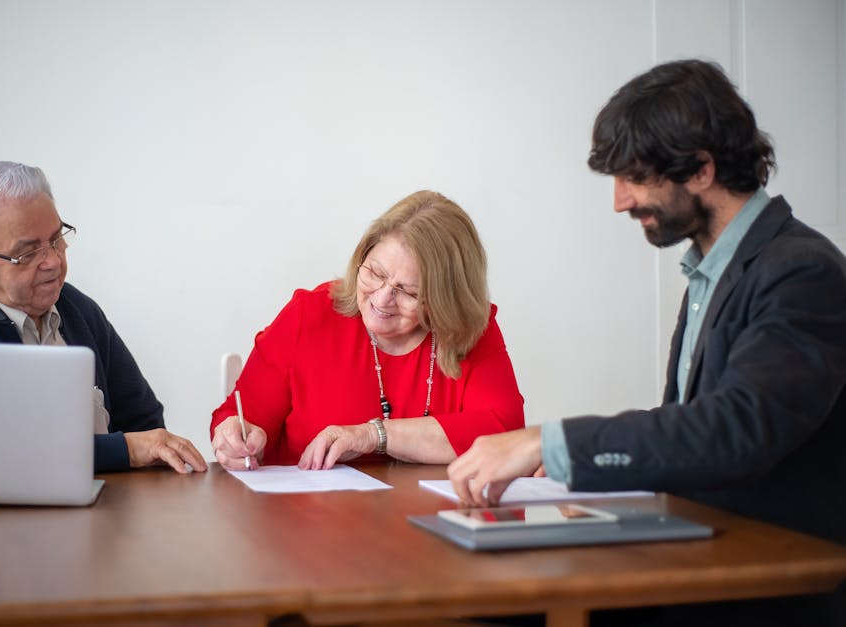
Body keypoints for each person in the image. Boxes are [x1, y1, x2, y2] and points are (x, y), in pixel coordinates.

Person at [448, 60, 846, 625]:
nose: (618, 201)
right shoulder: (715, 267)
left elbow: (736, 427)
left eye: (633, 177)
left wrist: (552, 443)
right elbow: (687, 422)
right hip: (692, 551)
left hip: (761, 585)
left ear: (701, 170)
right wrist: (568, 463)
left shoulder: (803, 271)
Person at [0, 160, 207, 475]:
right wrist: (122, 450)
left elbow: (147, 429)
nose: (52, 261)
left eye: (55, 239)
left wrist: (134, 451)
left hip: (103, 512)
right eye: (28, 252)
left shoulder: (79, 310)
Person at [211, 190, 524, 470]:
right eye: (375, 272)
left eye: (409, 291)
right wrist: (234, 437)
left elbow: (504, 433)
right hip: (309, 524)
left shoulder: (469, 330)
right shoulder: (310, 315)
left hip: (431, 525)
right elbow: (241, 417)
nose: (381, 298)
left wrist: (373, 435)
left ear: (444, 300)